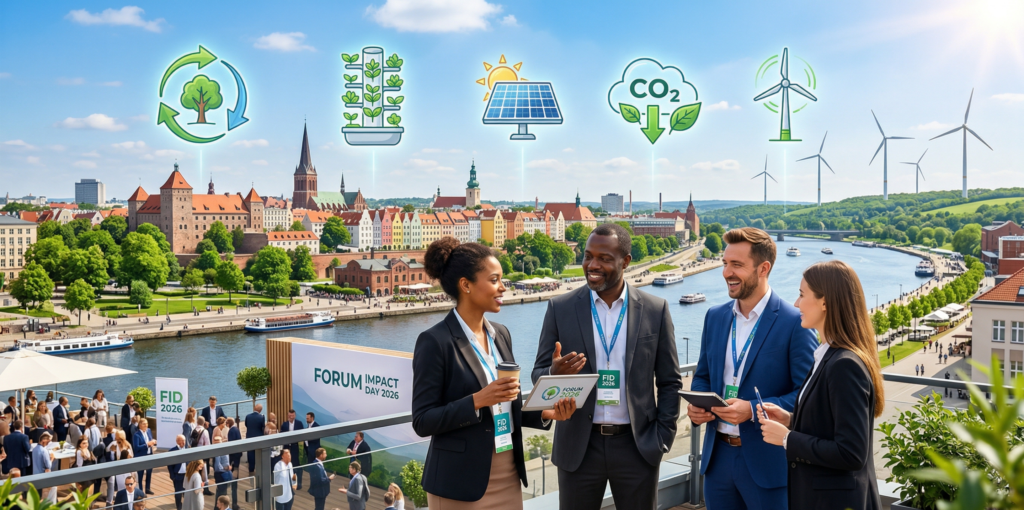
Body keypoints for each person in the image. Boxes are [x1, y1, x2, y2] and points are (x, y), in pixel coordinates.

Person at [414, 238, 576, 509]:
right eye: (494, 280)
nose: (503, 287)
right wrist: (476, 400)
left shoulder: (501, 334)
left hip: (508, 472)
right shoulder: (434, 341)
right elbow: (422, 420)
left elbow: (506, 405)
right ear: (466, 285)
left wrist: (547, 412)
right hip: (458, 483)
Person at [530, 224, 682, 510]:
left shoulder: (655, 309)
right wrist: (553, 375)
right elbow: (538, 374)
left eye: (604, 258)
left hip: (638, 447)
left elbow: (670, 381)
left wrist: (662, 437)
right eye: (588, 256)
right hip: (579, 448)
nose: (592, 265)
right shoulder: (559, 308)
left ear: (625, 261)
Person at [687, 227, 817, 510]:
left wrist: (753, 409)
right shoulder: (715, 316)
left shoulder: (795, 322)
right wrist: (698, 406)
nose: (726, 272)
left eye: (737, 265)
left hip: (768, 465)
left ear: (763, 268)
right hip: (717, 459)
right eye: (724, 263)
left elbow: (807, 396)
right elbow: (704, 376)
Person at [757, 261, 883, 510]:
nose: (796, 303)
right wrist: (791, 420)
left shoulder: (844, 365)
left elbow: (851, 452)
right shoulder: (827, 355)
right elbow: (831, 424)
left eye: (802, 295)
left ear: (825, 302)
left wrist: (787, 439)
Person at [280, 409, 304, 489]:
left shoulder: (299, 424)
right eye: (289, 416)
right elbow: (281, 434)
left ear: (295, 415)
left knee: (296, 466)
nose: (291, 417)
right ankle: (288, 483)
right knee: (287, 465)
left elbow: (302, 435)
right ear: (287, 416)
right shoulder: (284, 424)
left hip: (295, 447)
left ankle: (298, 484)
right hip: (287, 447)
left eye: (292, 415)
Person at [132, 419, 157, 494]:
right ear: (139, 425)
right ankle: (140, 491)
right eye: (144, 424)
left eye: (146, 424)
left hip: (149, 455)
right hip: (141, 457)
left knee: (149, 472)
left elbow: (150, 440)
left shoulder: (149, 430)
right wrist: (147, 444)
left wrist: (153, 442)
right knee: (140, 474)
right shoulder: (136, 435)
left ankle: (147, 488)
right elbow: (136, 447)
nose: (146, 425)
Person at [30, 431, 56, 502]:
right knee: (52, 489)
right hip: (42, 476)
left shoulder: (34, 449)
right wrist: (52, 458)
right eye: (48, 441)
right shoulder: (44, 451)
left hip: (35, 474)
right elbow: (48, 466)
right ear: (43, 440)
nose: (48, 443)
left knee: (37, 495)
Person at [212, 437, 237, 509]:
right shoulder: (218, 452)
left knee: (221, 492)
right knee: (221, 493)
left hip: (225, 474)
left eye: (219, 441)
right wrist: (226, 468)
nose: (218, 443)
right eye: (216, 442)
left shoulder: (223, 449)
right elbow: (217, 466)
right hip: (221, 475)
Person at [167, 435, 188, 510]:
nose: (183, 442)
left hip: (187, 476)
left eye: (184, 440)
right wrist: (173, 476)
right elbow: (169, 465)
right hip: (177, 476)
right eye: (181, 440)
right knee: (178, 494)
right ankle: (179, 507)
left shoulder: (188, 449)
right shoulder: (172, 451)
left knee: (187, 493)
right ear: (177, 441)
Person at [244, 404, 266, 473]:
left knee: (250, 453)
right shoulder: (262, 417)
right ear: (260, 410)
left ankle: (251, 468)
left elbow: (246, 425)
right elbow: (263, 426)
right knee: (259, 452)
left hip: (249, 437)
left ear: (254, 408)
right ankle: (259, 468)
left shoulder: (248, 416)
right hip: (259, 437)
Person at [303, 412, 320, 483]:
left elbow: (316, 439)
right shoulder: (307, 427)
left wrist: (307, 438)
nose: (306, 419)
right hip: (308, 451)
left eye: (308, 418)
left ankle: (316, 483)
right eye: (306, 418)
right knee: (311, 469)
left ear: (312, 418)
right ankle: (312, 483)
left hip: (314, 452)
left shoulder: (317, 427)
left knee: (315, 469)